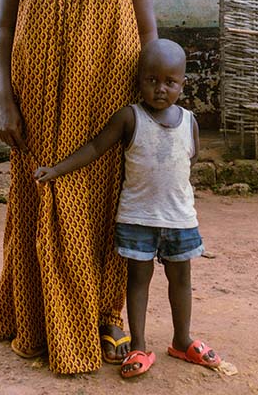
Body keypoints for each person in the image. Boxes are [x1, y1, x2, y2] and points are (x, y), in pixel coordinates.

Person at [0, 0, 158, 374]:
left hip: (106, 98)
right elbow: (3, 30)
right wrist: (5, 101)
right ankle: (40, 316)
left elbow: (149, 31)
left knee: (104, 201)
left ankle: (105, 312)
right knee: (43, 193)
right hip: (37, 101)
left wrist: (151, 107)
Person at [33, 39, 223, 379]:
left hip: (180, 218)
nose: (160, 88)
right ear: (138, 80)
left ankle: (182, 340)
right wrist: (57, 169)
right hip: (137, 218)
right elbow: (95, 147)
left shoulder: (189, 121)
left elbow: (189, 158)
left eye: (170, 81)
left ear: (183, 83)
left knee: (181, 279)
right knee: (138, 280)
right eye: (151, 80)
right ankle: (138, 344)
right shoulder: (130, 117)